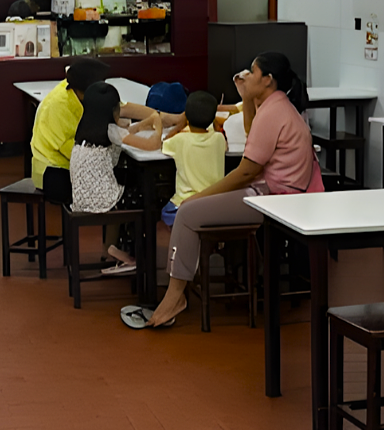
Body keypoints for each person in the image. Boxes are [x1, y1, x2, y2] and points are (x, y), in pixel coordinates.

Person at [122, 52, 322, 329]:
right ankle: (177, 293)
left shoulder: (275, 111)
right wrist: (249, 98)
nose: (247, 76)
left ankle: (174, 296)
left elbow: (247, 172)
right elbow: (255, 135)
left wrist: (202, 196)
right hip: (279, 194)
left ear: (267, 80)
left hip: (274, 200)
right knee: (192, 208)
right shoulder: (278, 105)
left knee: (187, 212)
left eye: (252, 72)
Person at [30, 57, 167, 204]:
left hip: (80, 168)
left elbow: (124, 108)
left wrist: (162, 116)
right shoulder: (58, 106)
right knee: (132, 182)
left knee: (128, 176)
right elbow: (73, 154)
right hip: (54, 170)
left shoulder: (82, 90)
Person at [68, 82, 164, 274]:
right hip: (104, 201)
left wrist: (142, 124)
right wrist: (158, 125)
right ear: (113, 110)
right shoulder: (111, 131)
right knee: (149, 197)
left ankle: (115, 247)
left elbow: (127, 129)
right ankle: (136, 254)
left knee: (129, 184)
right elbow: (153, 145)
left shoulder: (86, 128)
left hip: (81, 199)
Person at [158, 91, 228, 227]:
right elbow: (217, 135)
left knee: (164, 210)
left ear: (187, 117)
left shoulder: (180, 140)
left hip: (185, 204)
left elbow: (164, 142)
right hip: (214, 204)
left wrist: (180, 125)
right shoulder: (219, 139)